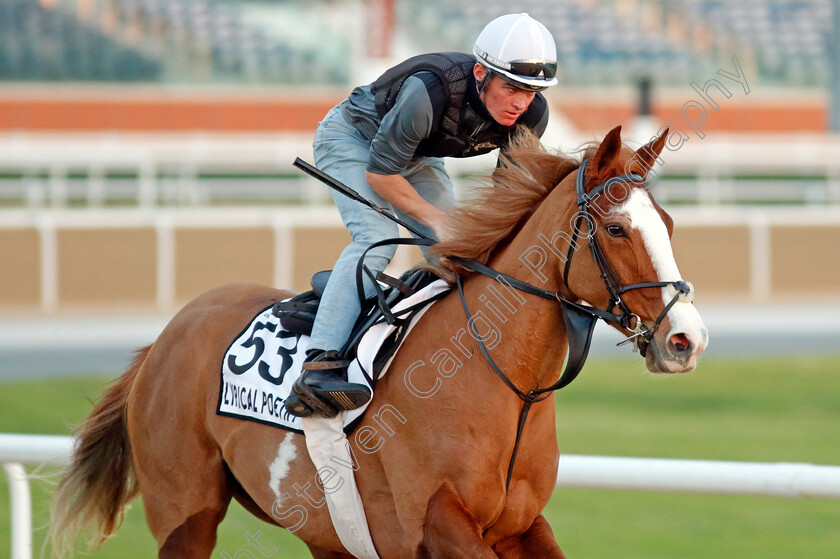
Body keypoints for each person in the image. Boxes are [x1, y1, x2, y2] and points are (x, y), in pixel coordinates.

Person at [286, 13, 560, 418]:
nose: (521, 102)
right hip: (353, 138)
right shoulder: (427, 93)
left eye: (532, 91)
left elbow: (505, 198)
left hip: (415, 155)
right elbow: (380, 174)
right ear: (481, 73)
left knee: (460, 251)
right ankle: (319, 364)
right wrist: (440, 222)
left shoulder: (533, 115)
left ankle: (411, 330)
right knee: (375, 238)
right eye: (512, 88)